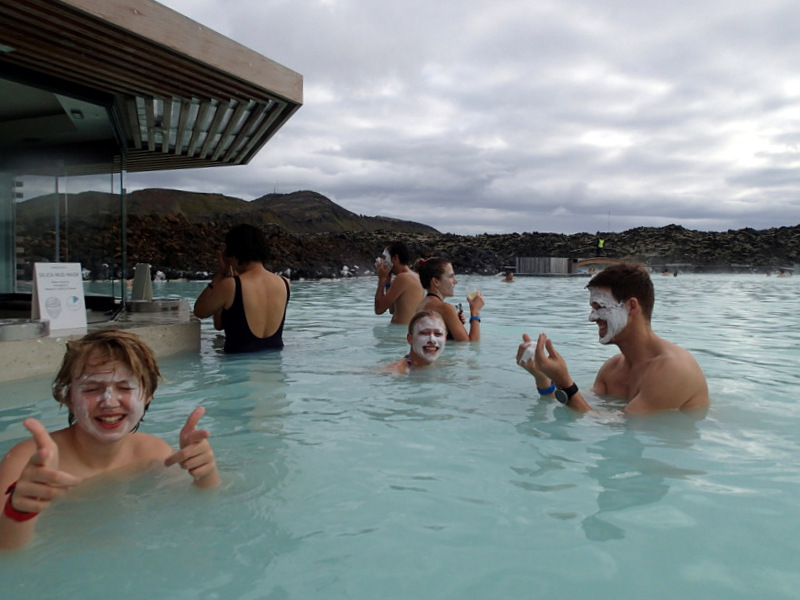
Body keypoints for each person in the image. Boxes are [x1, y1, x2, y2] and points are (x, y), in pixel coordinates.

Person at [0, 329, 220, 550]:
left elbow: (201, 512)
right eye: (92, 388)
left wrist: (206, 474)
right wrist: (18, 511)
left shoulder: (152, 453)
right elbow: (7, 554)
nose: (109, 402)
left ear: (148, 393)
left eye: (124, 388)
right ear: (68, 397)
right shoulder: (28, 462)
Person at [516, 262, 709, 415]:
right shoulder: (612, 369)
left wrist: (564, 381)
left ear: (631, 307)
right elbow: (581, 408)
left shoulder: (673, 369)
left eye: (600, 306)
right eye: (592, 308)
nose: (591, 317)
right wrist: (543, 378)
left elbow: (622, 429)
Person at [194, 224, 290, 353]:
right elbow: (220, 323)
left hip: (238, 366)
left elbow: (199, 311)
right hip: (274, 365)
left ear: (233, 253)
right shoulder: (284, 283)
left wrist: (221, 275)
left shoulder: (231, 285)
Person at [415, 257, 483, 342]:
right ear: (436, 282)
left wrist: (453, 323)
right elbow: (470, 344)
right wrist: (475, 311)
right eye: (451, 277)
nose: (455, 281)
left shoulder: (422, 304)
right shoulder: (445, 308)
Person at [374, 241, 425, 325]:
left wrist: (381, 279)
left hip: (399, 334)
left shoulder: (402, 278)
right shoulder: (415, 276)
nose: (383, 261)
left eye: (385, 258)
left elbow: (379, 309)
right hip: (407, 331)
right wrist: (387, 282)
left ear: (395, 259)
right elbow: (392, 310)